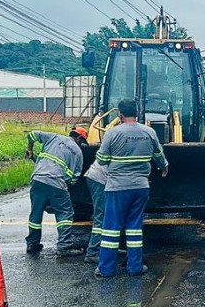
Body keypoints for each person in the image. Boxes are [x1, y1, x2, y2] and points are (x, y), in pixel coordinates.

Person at [95, 99, 169, 277]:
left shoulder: (112, 133)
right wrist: (164, 167)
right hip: (141, 187)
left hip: (117, 188)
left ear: (120, 115)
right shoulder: (149, 132)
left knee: (111, 228)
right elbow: (159, 155)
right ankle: (135, 267)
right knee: (134, 227)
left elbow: (102, 160)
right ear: (137, 113)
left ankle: (106, 269)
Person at [25, 127, 86, 257]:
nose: (82, 144)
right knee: (65, 213)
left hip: (38, 180)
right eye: (83, 141)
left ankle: (32, 243)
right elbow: (74, 177)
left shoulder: (53, 137)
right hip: (57, 184)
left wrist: (30, 150)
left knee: (35, 214)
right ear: (79, 138)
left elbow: (31, 134)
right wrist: (65, 190)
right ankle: (64, 247)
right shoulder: (78, 152)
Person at [83, 158, 107, 264]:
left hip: (98, 176)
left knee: (107, 214)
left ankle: (106, 247)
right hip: (100, 179)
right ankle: (92, 252)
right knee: (100, 215)